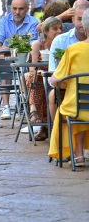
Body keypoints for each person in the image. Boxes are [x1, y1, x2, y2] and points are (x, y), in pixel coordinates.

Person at [48, 8, 89, 166]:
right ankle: (79, 152)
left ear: (84, 29)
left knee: (71, 109)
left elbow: (55, 81)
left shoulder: (73, 50)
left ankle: (78, 154)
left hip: (76, 108)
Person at [25, 16, 63, 141]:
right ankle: (35, 112)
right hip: (40, 77)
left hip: (55, 79)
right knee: (35, 78)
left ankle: (40, 121)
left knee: (38, 82)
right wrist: (41, 72)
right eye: (55, 28)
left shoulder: (61, 45)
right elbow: (32, 68)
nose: (59, 31)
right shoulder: (37, 44)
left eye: (60, 28)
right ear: (46, 31)